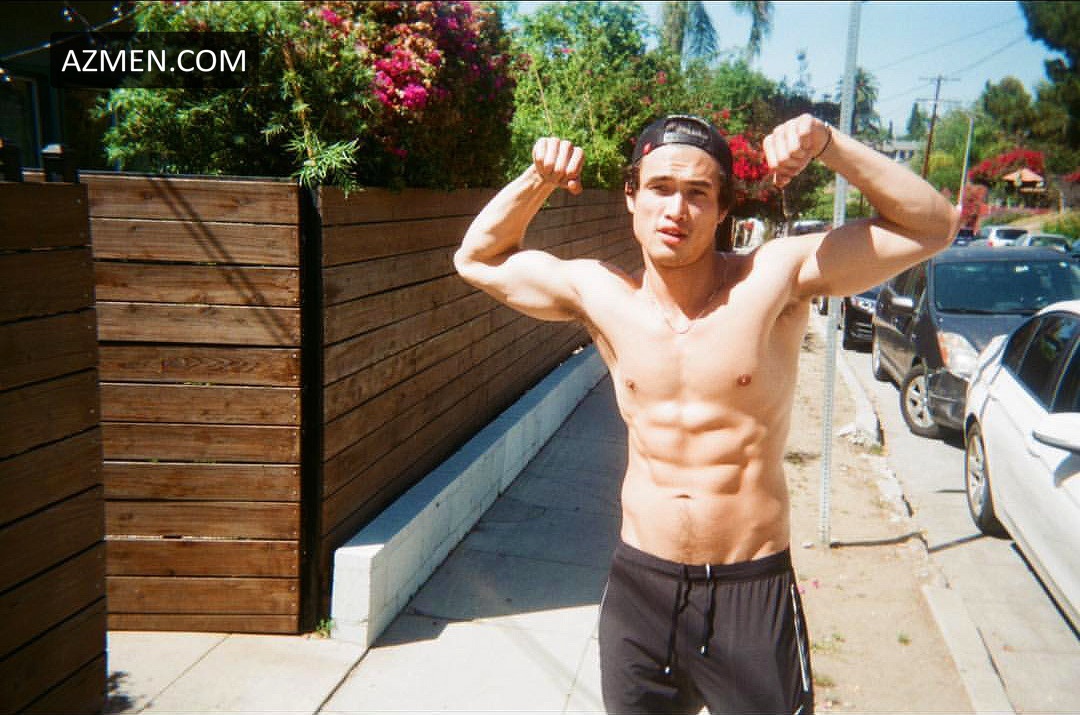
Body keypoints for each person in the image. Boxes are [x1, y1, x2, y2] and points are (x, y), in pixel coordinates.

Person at [453, 113, 958, 714]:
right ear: (631, 197)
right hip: (641, 589)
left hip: (751, 588)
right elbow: (476, 259)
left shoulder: (774, 279)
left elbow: (933, 226)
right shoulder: (600, 293)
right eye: (660, 188)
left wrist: (827, 144)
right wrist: (538, 177)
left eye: (698, 193)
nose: (677, 210)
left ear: (723, 210)